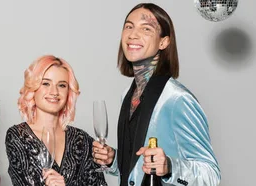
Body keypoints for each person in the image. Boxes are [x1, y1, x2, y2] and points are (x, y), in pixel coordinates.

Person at [92, 3, 221, 186]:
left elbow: (211, 175)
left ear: (164, 42)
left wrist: (169, 166)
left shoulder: (177, 99)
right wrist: (114, 159)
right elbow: (135, 169)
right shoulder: (128, 96)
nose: (133, 34)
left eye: (146, 28)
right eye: (129, 26)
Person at [6, 55, 107, 186]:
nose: (54, 92)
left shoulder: (82, 139)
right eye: (46, 83)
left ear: (68, 92)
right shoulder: (18, 136)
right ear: (33, 88)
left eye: (62, 85)